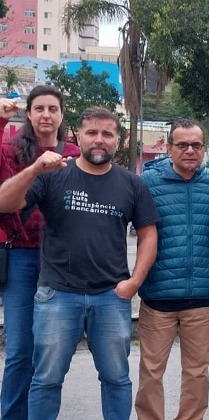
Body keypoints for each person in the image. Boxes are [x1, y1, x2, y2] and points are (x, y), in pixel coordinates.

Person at [0, 107, 159, 419]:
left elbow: (148, 235)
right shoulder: (53, 175)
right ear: (78, 137)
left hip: (111, 296)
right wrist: (33, 170)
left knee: (116, 378)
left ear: (118, 140)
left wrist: (134, 283)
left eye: (107, 134)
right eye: (92, 133)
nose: (99, 140)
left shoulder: (132, 184)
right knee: (46, 380)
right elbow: (5, 203)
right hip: (57, 294)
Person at [135, 119, 209, 420]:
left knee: (197, 373)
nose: (189, 150)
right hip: (157, 296)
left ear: (204, 148)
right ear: (169, 147)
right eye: (182, 144)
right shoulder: (147, 183)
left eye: (196, 145)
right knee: (150, 370)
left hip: (201, 297)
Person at [0, 87, 80, 420]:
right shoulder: (9, 149)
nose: (46, 115)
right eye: (38, 108)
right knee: (20, 348)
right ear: (29, 114)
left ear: (62, 114)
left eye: (52, 108)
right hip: (20, 253)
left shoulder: (75, 151)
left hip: (62, 259)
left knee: (48, 348)